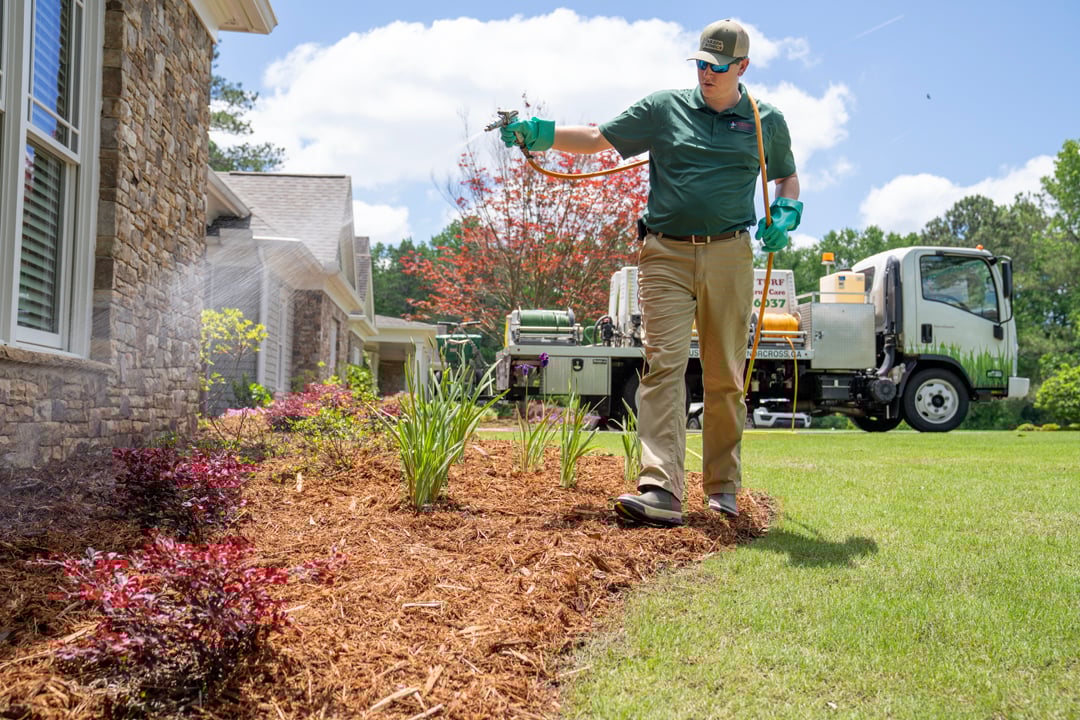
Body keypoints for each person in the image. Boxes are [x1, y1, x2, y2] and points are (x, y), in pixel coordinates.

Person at [501, 19, 802, 527]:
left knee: (725, 374)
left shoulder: (764, 119)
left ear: (742, 67)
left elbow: (786, 177)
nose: (706, 73)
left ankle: (722, 487)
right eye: (701, 64)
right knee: (663, 364)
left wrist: (789, 214)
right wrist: (542, 133)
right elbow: (598, 137)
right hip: (665, 253)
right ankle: (660, 488)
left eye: (718, 67)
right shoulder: (666, 108)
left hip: (731, 253)